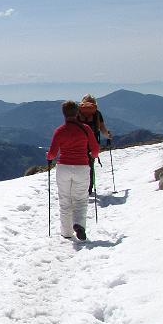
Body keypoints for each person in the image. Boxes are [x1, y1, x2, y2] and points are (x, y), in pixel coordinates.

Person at [47, 100, 99, 241]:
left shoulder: (60, 131)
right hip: (82, 167)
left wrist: (48, 156)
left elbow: (52, 154)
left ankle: (67, 232)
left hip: (63, 167)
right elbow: (95, 151)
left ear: (64, 114)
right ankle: (79, 225)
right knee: (81, 199)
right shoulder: (86, 129)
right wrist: (91, 156)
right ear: (77, 113)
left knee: (65, 200)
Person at [77, 94, 112, 194]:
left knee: (79, 165)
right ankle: (89, 188)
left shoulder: (78, 112)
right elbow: (102, 129)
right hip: (92, 144)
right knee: (90, 165)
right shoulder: (97, 113)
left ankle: (79, 188)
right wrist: (108, 135)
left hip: (78, 143)